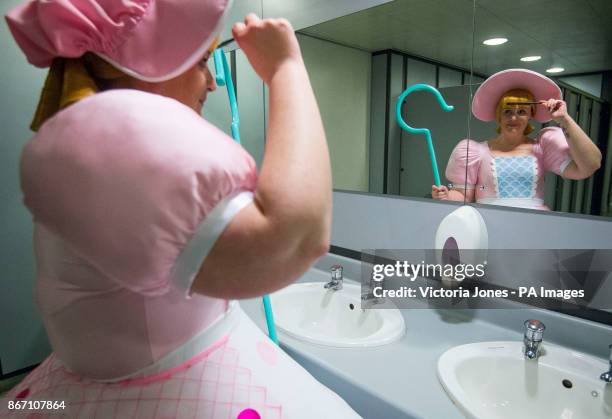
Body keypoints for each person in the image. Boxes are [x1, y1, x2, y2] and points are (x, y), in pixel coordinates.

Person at [1, 0, 360, 417]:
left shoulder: (87, 136)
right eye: (202, 62)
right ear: (149, 60)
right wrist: (286, 69)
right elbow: (291, 238)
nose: (211, 84)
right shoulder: (113, 137)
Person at [431, 68, 601, 210]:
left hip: (532, 229)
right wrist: (446, 195)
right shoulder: (474, 151)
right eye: (508, 111)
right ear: (498, 115)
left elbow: (590, 165)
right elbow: (463, 194)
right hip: (489, 226)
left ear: (530, 116)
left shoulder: (543, 147)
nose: (514, 118)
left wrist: (565, 119)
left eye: (521, 112)